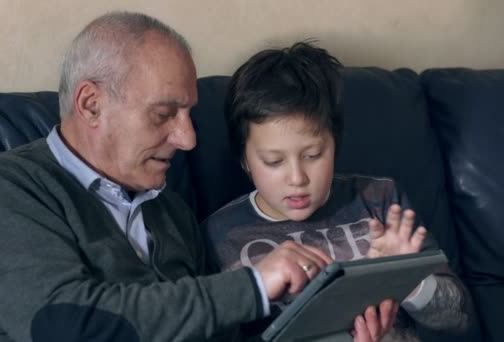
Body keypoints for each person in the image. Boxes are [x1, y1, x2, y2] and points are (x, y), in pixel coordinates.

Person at [0, 12, 395, 342]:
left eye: (188, 114)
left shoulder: (171, 212)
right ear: (91, 105)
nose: (187, 138)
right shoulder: (5, 190)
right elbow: (66, 325)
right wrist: (255, 284)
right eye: (164, 114)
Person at [202, 40, 472, 340]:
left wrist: (408, 280)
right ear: (244, 160)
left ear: (335, 144)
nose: (297, 178)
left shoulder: (380, 199)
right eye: (274, 161)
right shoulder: (221, 235)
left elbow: (458, 319)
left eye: (313, 155)